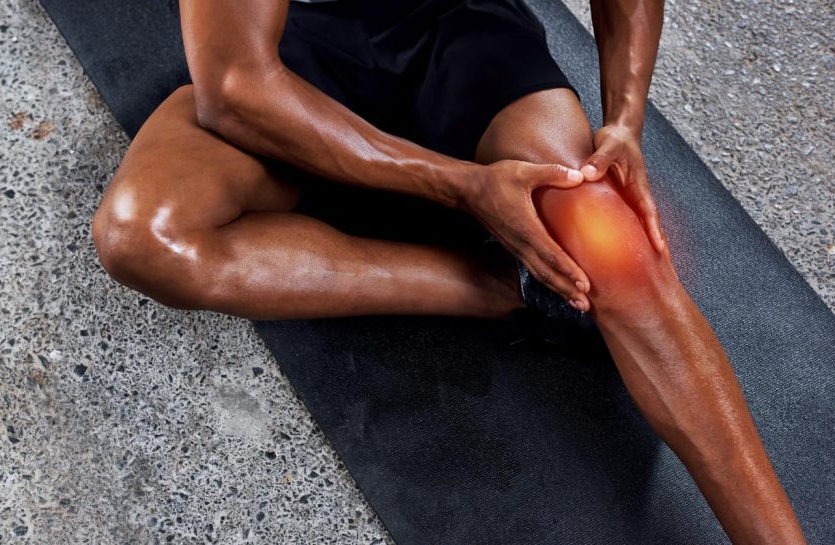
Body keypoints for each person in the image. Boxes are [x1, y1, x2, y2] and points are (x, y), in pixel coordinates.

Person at [90, 0, 806, 542]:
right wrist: (461, 186)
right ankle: (508, 288)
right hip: (295, 53)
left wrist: (623, 117)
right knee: (143, 238)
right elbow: (235, 85)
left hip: (462, 35)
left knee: (613, 246)